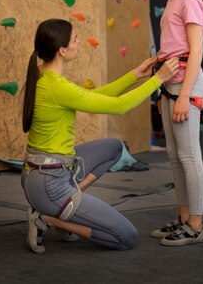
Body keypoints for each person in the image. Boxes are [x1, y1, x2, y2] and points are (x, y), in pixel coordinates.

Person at [21, 18, 180, 253]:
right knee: (126, 236)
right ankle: (51, 219)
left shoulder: (43, 76)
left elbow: (94, 97)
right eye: (75, 39)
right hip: (49, 185)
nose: (79, 42)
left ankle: (63, 205)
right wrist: (159, 79)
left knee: (113, 148)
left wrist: (134, 76)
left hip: (41, 174)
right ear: (62, 50)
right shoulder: (57, 87)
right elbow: (119, 106)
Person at [148, 0, 203, 246]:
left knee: (190, 157)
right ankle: (183, 218)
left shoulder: (190, 1)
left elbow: (196, 50)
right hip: (170, 86)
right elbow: (172, 48)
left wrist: (183, 95)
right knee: (176, 157)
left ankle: (197, 224)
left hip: (185, 88)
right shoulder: (174, 1)